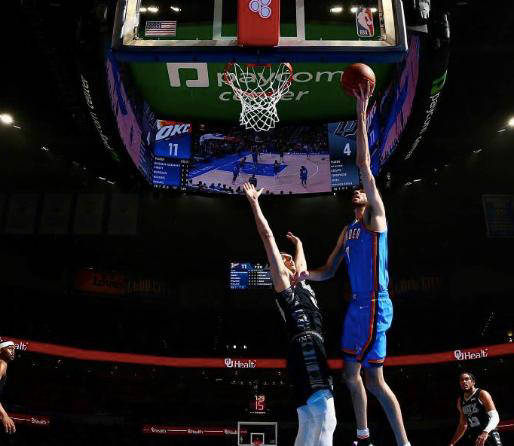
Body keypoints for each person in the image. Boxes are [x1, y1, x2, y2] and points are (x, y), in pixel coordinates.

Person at [294, 82, 410, 446]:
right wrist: (303, 275)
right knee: (372, 380)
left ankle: (363, 435)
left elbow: (362, 163)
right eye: (357, 191)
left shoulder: (376, 219)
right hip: (358, 306)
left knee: (350, 374)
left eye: (363, 188)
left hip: (375, 303)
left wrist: (360, 111)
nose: (359, 190)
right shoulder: (348, 231)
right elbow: (328, 271)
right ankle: (392, 440)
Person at [243, 182, 336, 446]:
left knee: (308, 419)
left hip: (306, 348)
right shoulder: (283, 283)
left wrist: (300, 244)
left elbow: (302, 264)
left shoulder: (302, 281)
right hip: (305, 343)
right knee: (328, 418)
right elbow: (268, 237)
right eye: (283, 260)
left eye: (289, 258)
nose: (288, 261)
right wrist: (254, 203)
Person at [449, 372, 502, 446]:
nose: (464, 381)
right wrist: (452, 443)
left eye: (467, 379)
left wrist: (485, 432)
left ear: (473, 382)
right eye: (461, 380)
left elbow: (495, 416)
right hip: (474, 436)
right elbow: (463, 424)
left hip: (488, 433)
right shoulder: (460, 401)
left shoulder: (482, 394)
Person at [0, 341, 16, 436]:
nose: (13, 351)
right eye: (10, 348)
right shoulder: (2, 364)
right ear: (1, 350)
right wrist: (4, 415)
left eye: (14, 349)